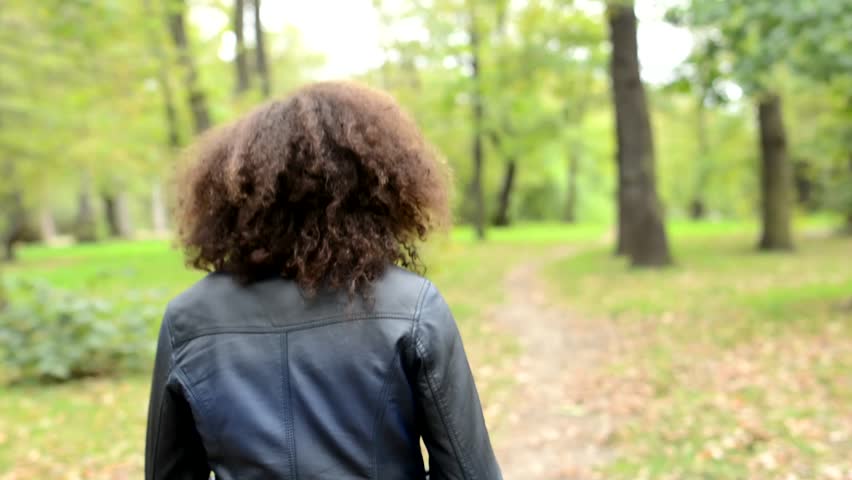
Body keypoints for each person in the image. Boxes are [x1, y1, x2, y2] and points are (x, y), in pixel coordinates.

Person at [145, 82, 502, 480]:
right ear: (374, 189)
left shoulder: (188, 320)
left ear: (236, 197)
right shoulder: (412, 307)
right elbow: (471, 473)